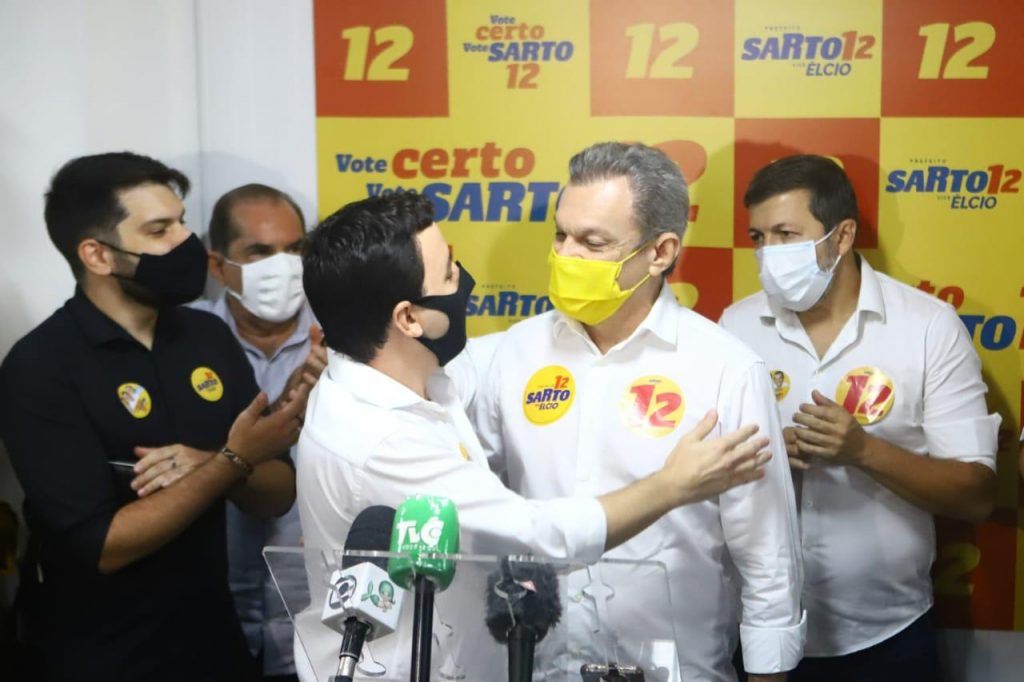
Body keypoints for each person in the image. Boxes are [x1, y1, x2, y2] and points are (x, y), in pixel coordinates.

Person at [293, 190, 774, 681]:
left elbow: (510, 354)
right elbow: (537, 538)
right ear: (409, 318)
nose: (463, 282)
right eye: (450, 273)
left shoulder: (417, 373)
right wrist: (671, 486)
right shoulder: (379, 437)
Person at [470, 141, 805, 682]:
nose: (567, 255)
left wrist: (770, 673)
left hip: (678, 670)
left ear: (660, 252)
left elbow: (767, 556)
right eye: (560, 235)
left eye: (592, 242)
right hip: (535, 667)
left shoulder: (725, 367)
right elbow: (475, 507)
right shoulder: (513, 352)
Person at [0, 152, 308, 682]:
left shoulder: (207, 336)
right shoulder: (41, 366)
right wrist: (229, 462)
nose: (185, 241)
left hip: (216, 647)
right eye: (160, 230)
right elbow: (101, 546)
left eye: (182, 222)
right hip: (103, 658)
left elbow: (277, 491)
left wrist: (214, 462)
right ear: (98, 255)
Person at [719, 154, 999, 682]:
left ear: (842, 236)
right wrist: (767, 457)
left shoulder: (927, 327)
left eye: (786, 235)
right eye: (758, 238)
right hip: (758, 631)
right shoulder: (736, 326)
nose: (769, 254)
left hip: (889, 634)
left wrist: (864, 451)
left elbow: (976, 494)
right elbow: (701, 478)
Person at [194, 183, 326, 682]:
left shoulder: (347, 341)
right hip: (208, 624)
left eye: (295, 249)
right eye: (260, 252)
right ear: (217, 265)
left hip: (320, 625)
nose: (284, 267)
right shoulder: (184, 346)